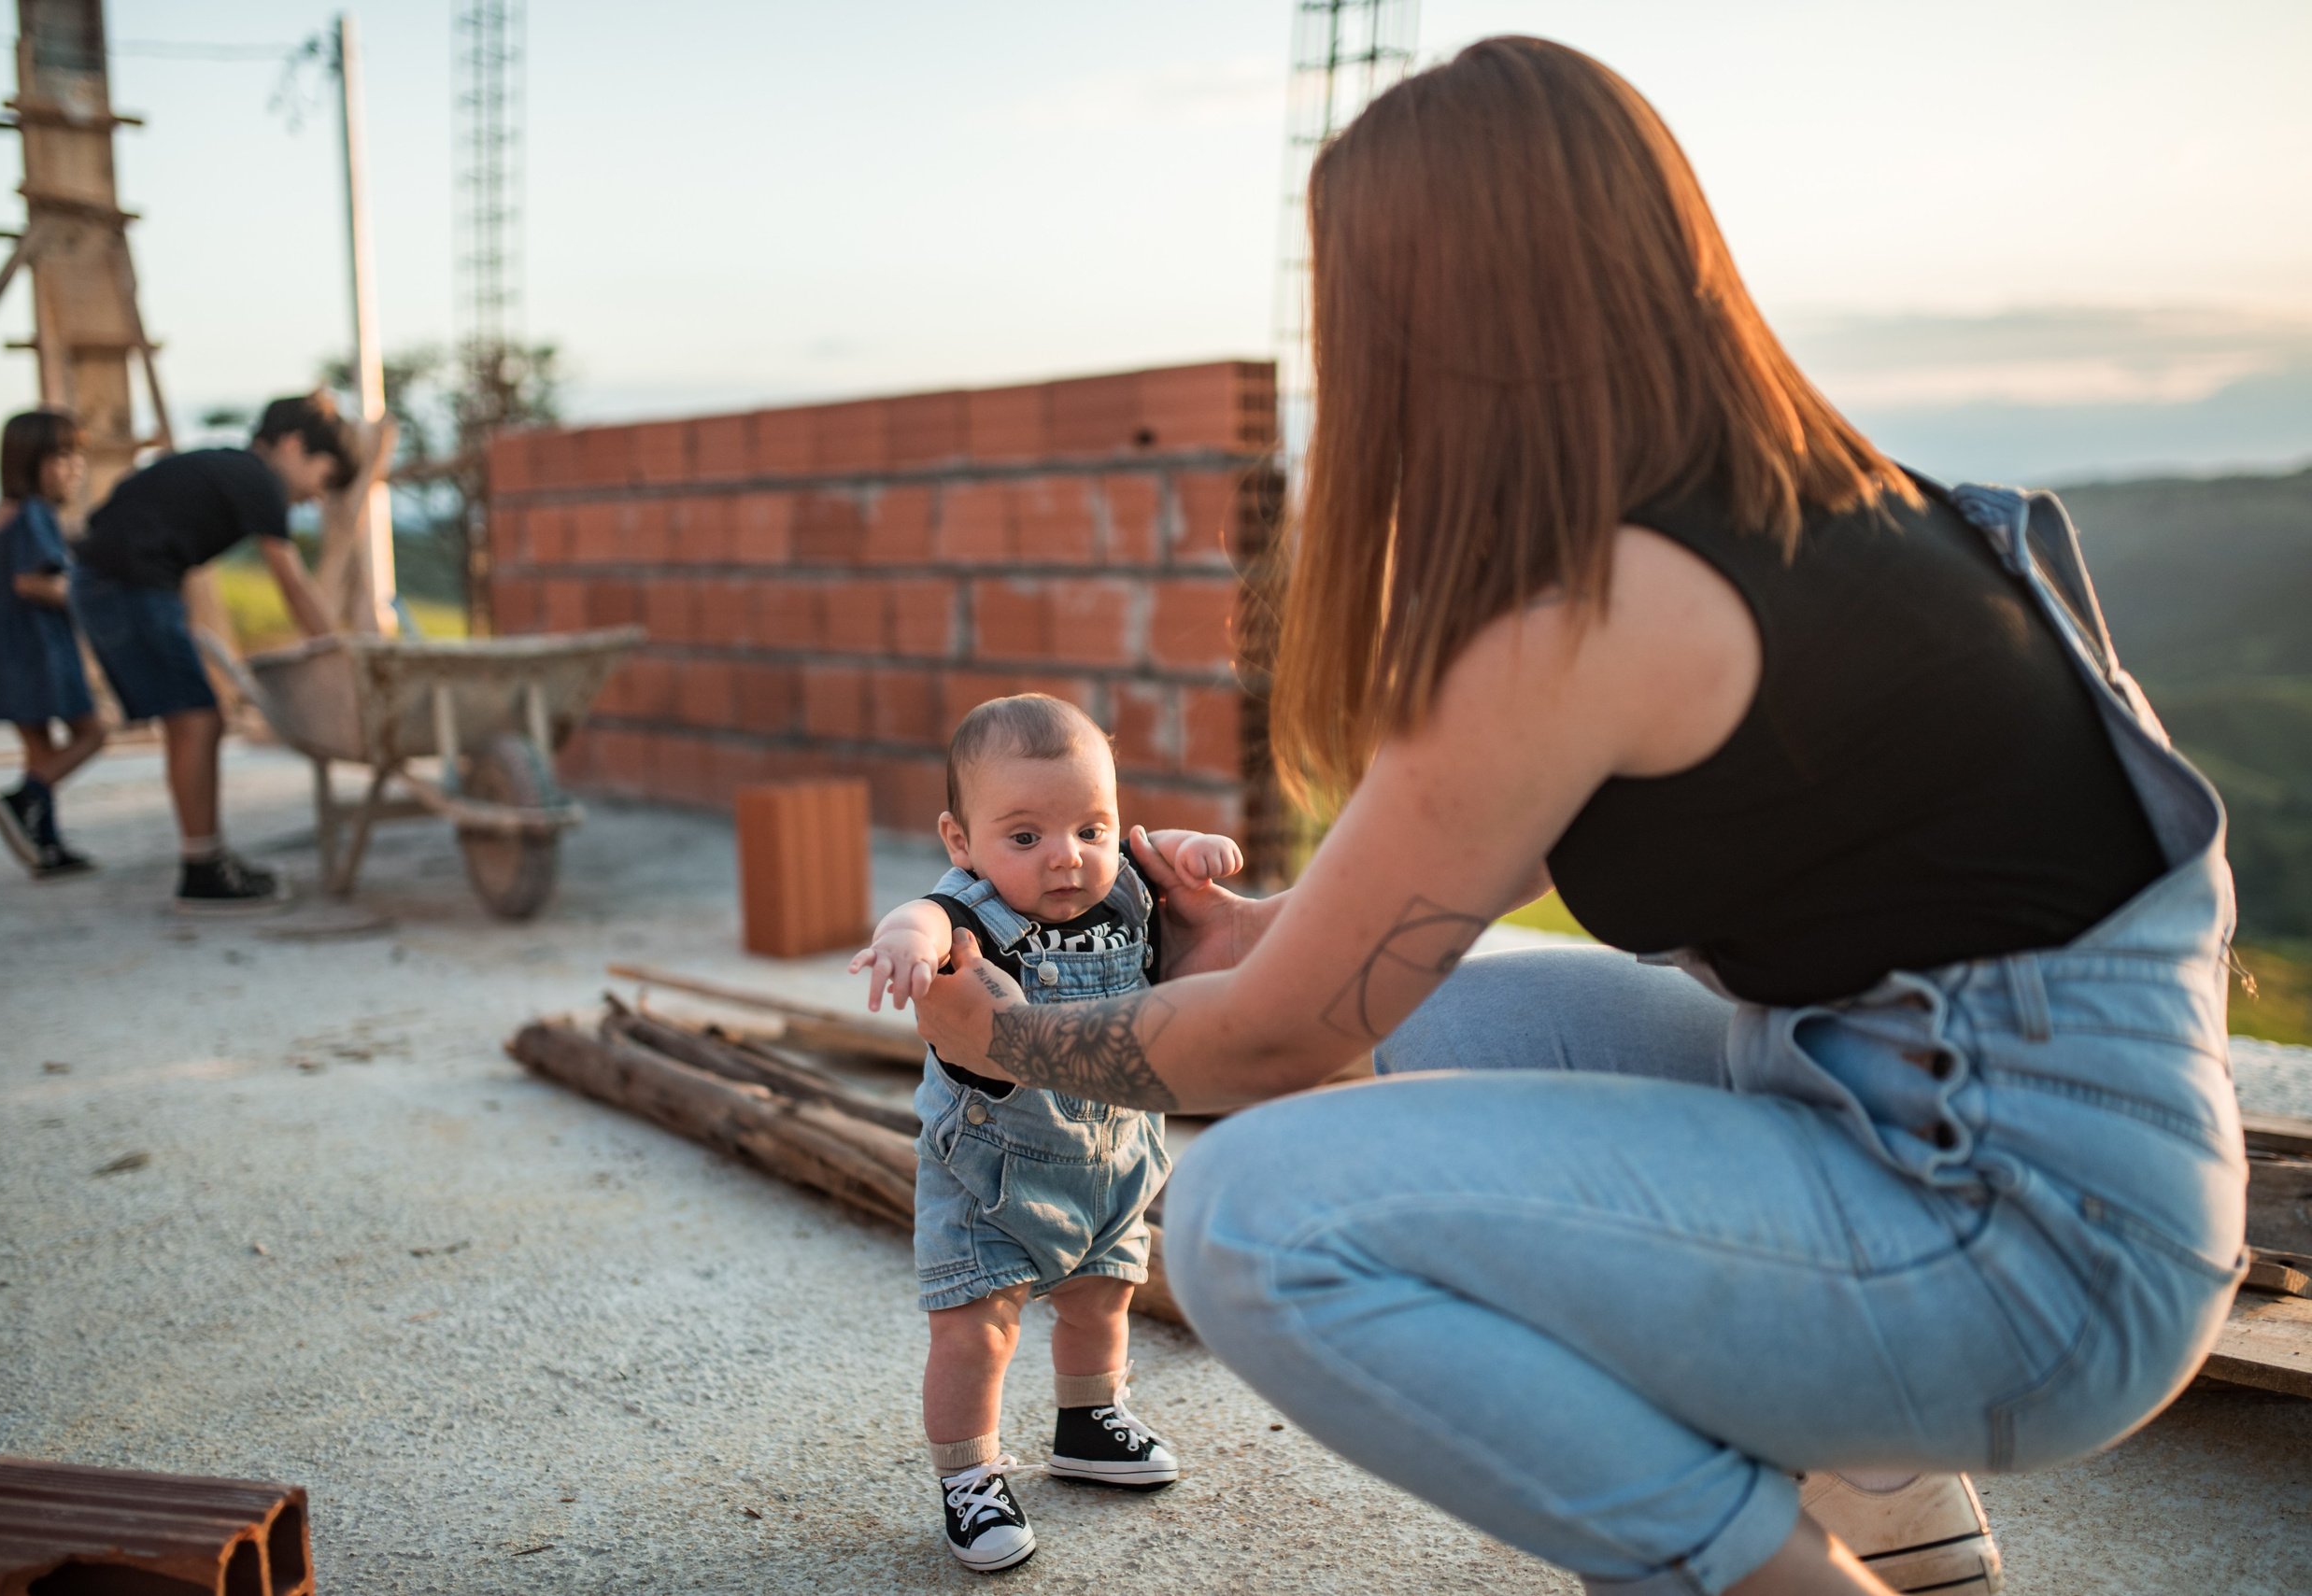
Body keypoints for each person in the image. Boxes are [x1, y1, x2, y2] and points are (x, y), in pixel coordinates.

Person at [914, 37, 2241, 1596]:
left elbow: (1267, 1038)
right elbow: (1347, 955)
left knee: (1253, 1218)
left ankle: (1790, 1575)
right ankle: (1898, 1504)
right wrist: (1241, 937)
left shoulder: (1594, 608)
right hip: (2019, 1135)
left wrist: (1003, 1035)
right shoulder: (1818, 516)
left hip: (2034, 1246)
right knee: (1445, 1025)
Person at [849, 694, 1244, 1574]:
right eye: (1024, 836)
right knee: (976, 1329)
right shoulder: (968, 910)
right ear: (962, 842)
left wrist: (1191, 850)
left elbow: (1165, 856)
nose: (1066, 857)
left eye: (1089, 828)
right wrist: (901, 941)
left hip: (1113, 1152)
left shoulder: (1130, 877)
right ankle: (971, 1476)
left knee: (1104, 1295)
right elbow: (921, 916)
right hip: (990, 1165)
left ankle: (1088, 1419)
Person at [70, 393, 350, 912]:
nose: (315, 496)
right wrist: (341, 658)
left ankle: (206, 860)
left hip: (117, 581)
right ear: (293, 446)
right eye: (322, 476)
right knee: (198, 720)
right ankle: (202, 870)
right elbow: (291, 584)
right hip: (125, 584)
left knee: (196, 719)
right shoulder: (261, 480)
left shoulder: (230, 467)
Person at [0, 409, 106, 877]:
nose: (75, 468)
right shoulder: (33, 514)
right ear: (29, 461)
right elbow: (31, 581)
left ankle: (45, 845)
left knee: (40, 752)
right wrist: (88, 597)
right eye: (63, 457)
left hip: (2, 645)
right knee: (92, 733)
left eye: (77, 457)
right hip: (38, 644)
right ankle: (21, 799)